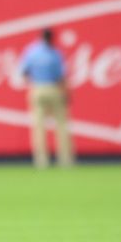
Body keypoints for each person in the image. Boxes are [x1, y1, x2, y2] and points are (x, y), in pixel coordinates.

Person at [20, 28, 74, 169]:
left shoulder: (31, 51)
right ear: (51, 38)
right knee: (61, 126)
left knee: (38, 127)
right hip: (54, 89)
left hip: (37, 88)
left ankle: (41, 160)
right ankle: (65, 160)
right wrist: (66, 93)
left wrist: (32, 85)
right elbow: (61, 76)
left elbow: (24, 72)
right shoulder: (55, 53)